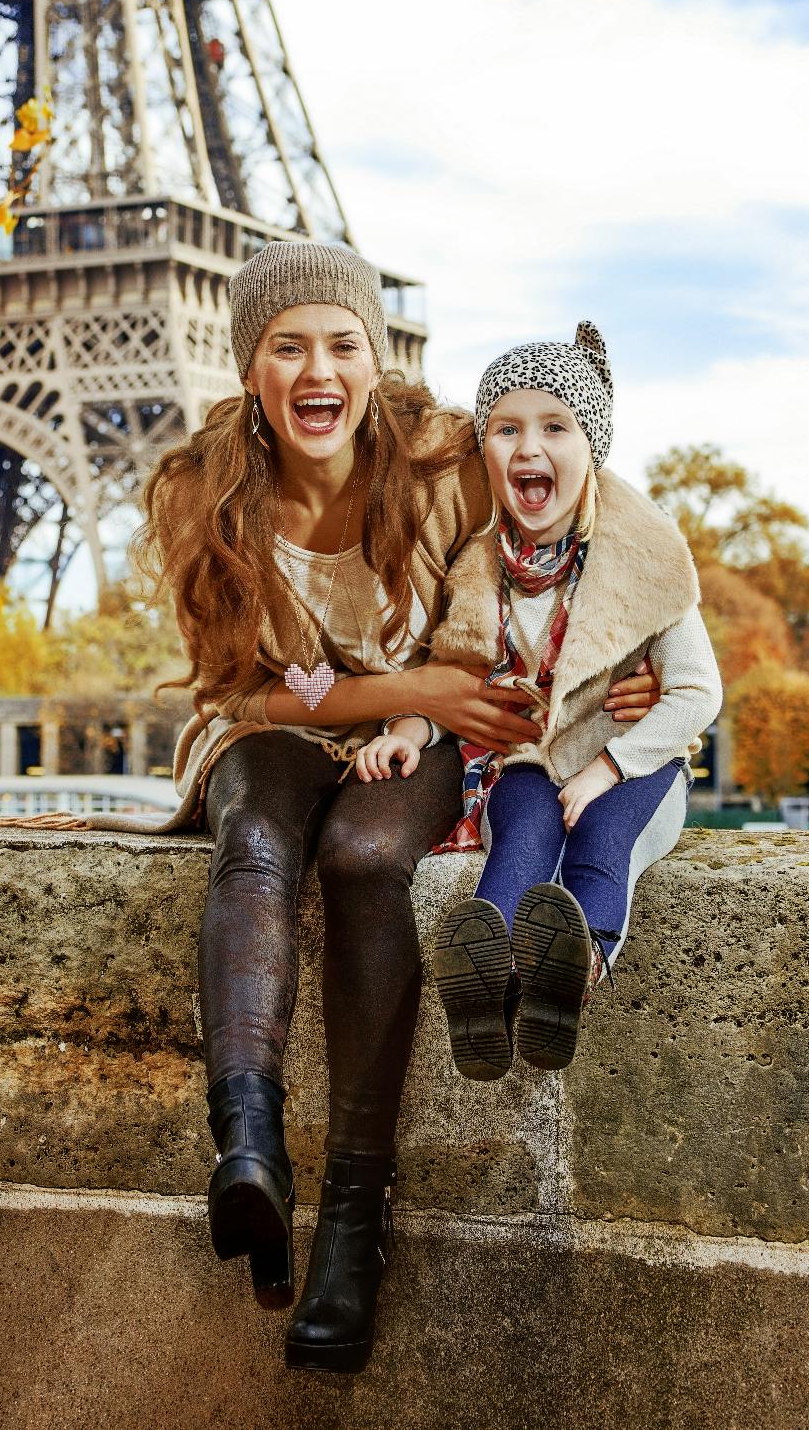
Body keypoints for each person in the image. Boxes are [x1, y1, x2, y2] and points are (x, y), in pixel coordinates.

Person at [134, 249, 661, 1374]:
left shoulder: (439, 462)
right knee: (257, 836)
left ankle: (352, 1222)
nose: (316, 368)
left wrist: (630, 662)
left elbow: (578, 520)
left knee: (369, 858)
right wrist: (405, 685)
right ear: (248, 367)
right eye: (287, 346)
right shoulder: (203, 489)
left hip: (425, 735)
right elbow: (246, 680)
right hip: (275, 715)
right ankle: (250, 1145)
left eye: (341, 342)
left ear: (376, 357)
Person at [359, 322, 721, 1081]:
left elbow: (696, 693)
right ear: (483, 450)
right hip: (530, 758)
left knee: (600, 841)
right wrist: (407, 728)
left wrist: (609, 767)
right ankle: (484, 985)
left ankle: (574, 966)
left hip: (638, 767)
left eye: (555, 427)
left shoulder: (644, 557)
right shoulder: (478, 569)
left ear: (592, 445)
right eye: (506, 428)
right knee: (518, 838)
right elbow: (456, 677)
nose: (529, 447)